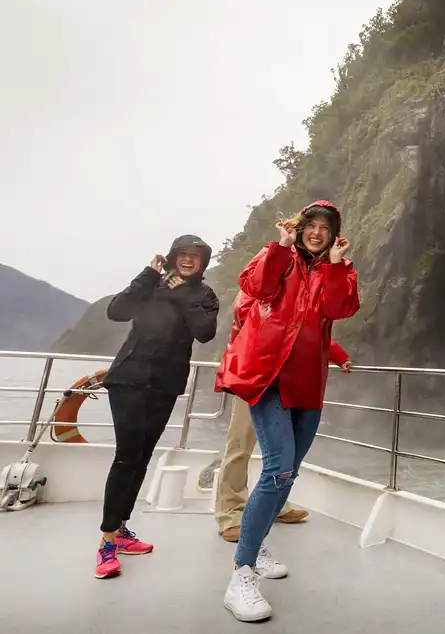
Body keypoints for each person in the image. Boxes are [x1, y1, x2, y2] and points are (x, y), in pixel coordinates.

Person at [214, 200, 359, 622]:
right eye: (310, 225)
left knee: (288, 472)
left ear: (334, 235)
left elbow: (339, 309)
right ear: (299, 229)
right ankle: (241, 575)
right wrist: (279, 247)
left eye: (325, 228)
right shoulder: (279, 259)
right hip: (269, 378)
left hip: (308, 384)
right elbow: (255, 288)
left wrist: (335, 265)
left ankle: (256, 546)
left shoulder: (338, 268)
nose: (317, 232)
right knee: (278, 469)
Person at [95, 235, 220, 580]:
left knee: (143, 455)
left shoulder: (204, 295)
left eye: (196, 256)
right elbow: (117, 310)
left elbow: (205, 332)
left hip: (165, 385)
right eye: (183, 254)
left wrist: (182, 295)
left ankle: (120, 530)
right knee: (127, 455)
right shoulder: (151, 284)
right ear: (172, 257)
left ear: (203, 262)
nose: (189, 260)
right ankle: (107, 542)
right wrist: (147, 276)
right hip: (129, 379)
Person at [214, 288, 354, 542]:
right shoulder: (258, 285)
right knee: (240, 446)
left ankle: (275, 505)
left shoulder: (298, 286)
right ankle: (230, 514)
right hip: (254, 379)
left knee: (281, 453)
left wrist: (338, 356)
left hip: (286, 383)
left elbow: (306, 330)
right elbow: (248, 317)